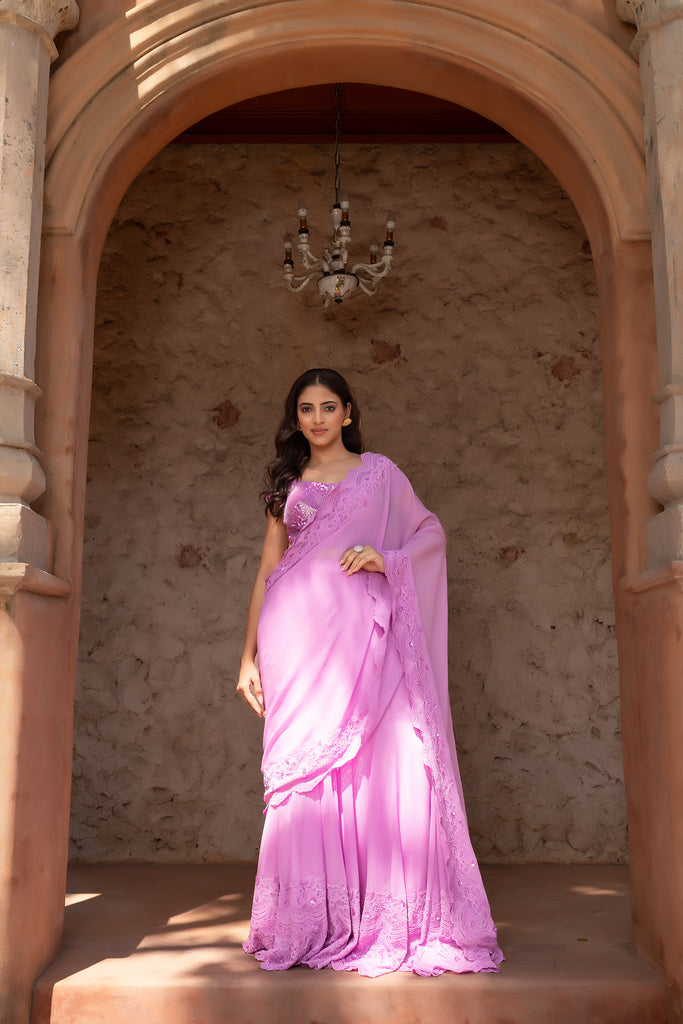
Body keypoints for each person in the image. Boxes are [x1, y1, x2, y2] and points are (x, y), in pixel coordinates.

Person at [237, 368, 503, 977]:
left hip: (364, 637)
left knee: (378, 765)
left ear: (349, 413)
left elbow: (430, 531)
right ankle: (305, 921)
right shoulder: (289, 483)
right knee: (299, 777)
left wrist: (389, 560)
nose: (318, 418)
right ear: (296, 419)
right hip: (293, 639)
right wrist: (247, 654)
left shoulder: (380, 475)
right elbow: (267, 568)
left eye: (329, 407)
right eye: (306, 409)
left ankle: (377, 915)